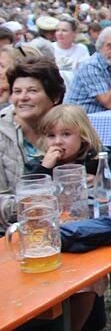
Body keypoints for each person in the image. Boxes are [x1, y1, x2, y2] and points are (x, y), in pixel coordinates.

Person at [26, 103, 111, 331]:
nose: (57, 142)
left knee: (90, 279)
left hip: (89, 231)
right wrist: (46, 167)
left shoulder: (96, 159)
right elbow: (30, 196)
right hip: (54, 236)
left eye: (66, 134)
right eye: (51, 135)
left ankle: (77, 325)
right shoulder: (38, 164)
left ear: (83, 136)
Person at [0, 57, 67, 228]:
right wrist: (39, 203)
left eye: (32, 91)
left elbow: (105, 171)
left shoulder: (69, 124)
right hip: (13, 232)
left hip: (69, 223)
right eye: (17, 91)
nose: (22, 98)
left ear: (55, 96)